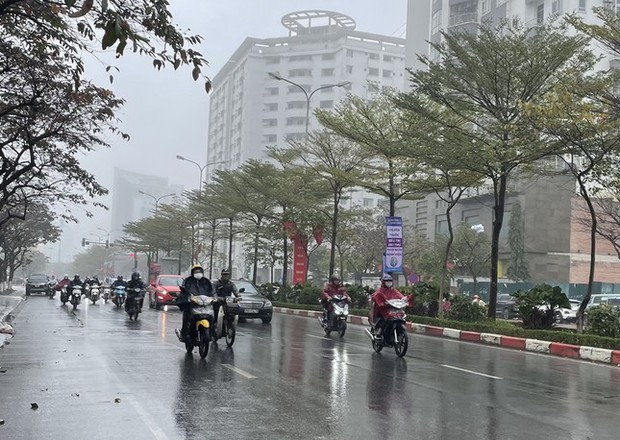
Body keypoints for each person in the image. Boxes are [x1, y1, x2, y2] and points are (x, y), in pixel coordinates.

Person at [177, 264, 213, 342]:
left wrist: (213, 298)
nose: (198, 273)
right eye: (196, 271)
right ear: (193, 272)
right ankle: (185, 334)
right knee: (187, 317)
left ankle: (212, 333)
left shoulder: (206, 282)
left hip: (205, 305)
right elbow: (184, 291)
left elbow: (212, 291)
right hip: (192, 305)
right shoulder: (187, 281)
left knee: (212, 316)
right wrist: (188, 298)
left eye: (199, 271)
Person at [211, 269, 241, 334]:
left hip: (228, 303)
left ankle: (229, 325)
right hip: (218, 302)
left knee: (231, 313)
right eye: (224, 274)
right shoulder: (216, 283)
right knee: (214, 314)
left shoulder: (231, 284)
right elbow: (213, 292)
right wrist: (216, 298)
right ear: (221, 275)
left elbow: (236, 291)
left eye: (227, 274)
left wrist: (238, 296)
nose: (225, 275)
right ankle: (213, 327)